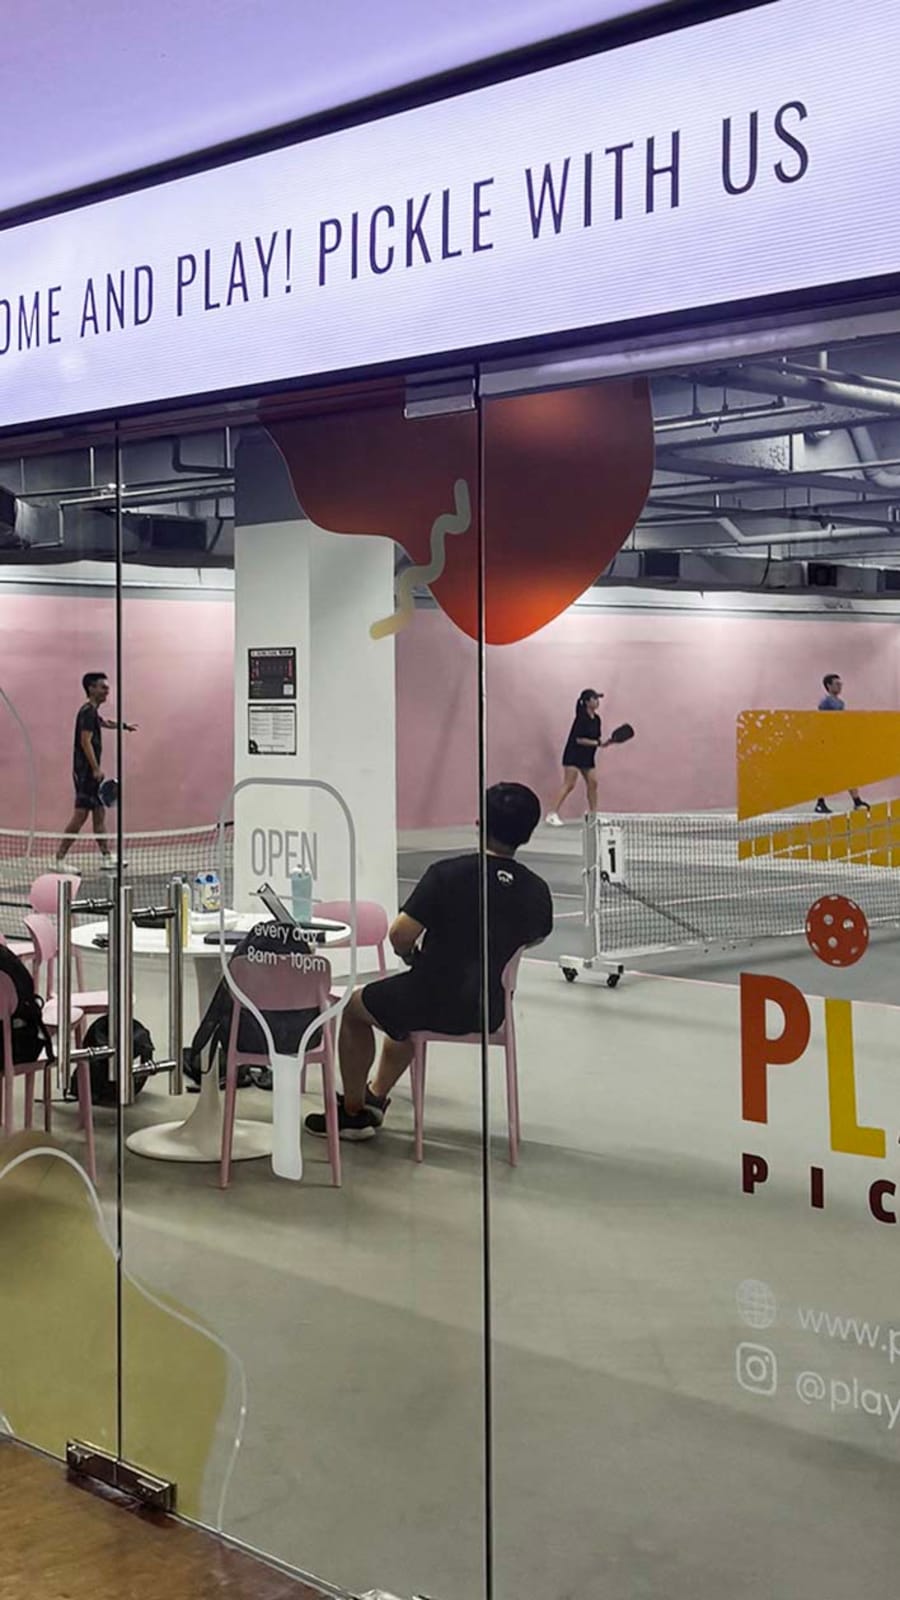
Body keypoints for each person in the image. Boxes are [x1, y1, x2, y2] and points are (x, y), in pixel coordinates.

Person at [305, 782, 553, 1141]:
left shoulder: (447, 874)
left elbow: (400, 934)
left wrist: (410, 956)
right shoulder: (537, 890)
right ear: (527, 833)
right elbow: (535, 936)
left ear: (480, 822)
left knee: (356, 1008)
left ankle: (353, 1113)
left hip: (431, 999)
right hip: (489, 1010)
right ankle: (376, 1096)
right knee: (397, 1013)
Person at [56, 672, 137, 865]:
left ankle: (106, 857)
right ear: (91, 688)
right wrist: (95, 768)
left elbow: (105, 723)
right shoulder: (87, 712)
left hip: (91, 775)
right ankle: (59, 859)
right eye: (103, 687)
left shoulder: (92, 713)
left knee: (99, 815)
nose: (107, 690)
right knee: (80, 816)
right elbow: (85, 741)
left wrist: (125, 726)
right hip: (85, 774)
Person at [545, 687, 609, 826]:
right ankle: (551, 814)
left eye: (598, 699)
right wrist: (597, 743)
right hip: (573, 755)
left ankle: (593, 816)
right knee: (569, 784)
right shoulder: (581, 718)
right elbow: (579, 740)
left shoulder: (597, 719)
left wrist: (603, 742)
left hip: (587, 757)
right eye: (594, 698)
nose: (597, 701)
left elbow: (596, 738)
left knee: (593, 783)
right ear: (587, 702)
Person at [814, 673, 869, 814]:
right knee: (827, 773)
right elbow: (825, 723)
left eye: (840, 684)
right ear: (828, 686)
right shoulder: (826, 703)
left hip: (838, 742)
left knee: (847, 771)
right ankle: (820, 802)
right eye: (837, 684)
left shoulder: (840, 703)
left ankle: (856, 800)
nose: (840, 686)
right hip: (829, 743)